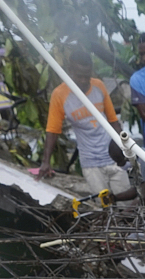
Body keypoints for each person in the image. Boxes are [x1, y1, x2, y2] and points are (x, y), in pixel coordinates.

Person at [39, 47, 128, 199]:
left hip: (114, 160)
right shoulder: (59, 95)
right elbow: (52, 131)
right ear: (69, 70)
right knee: (105, 208)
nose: (83, 81)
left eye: (87, 76)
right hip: (91, 164)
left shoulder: (99, 86)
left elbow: (113, 121)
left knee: (128, 206)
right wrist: (46, 162)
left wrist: (126, 149)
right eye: (79, 76)